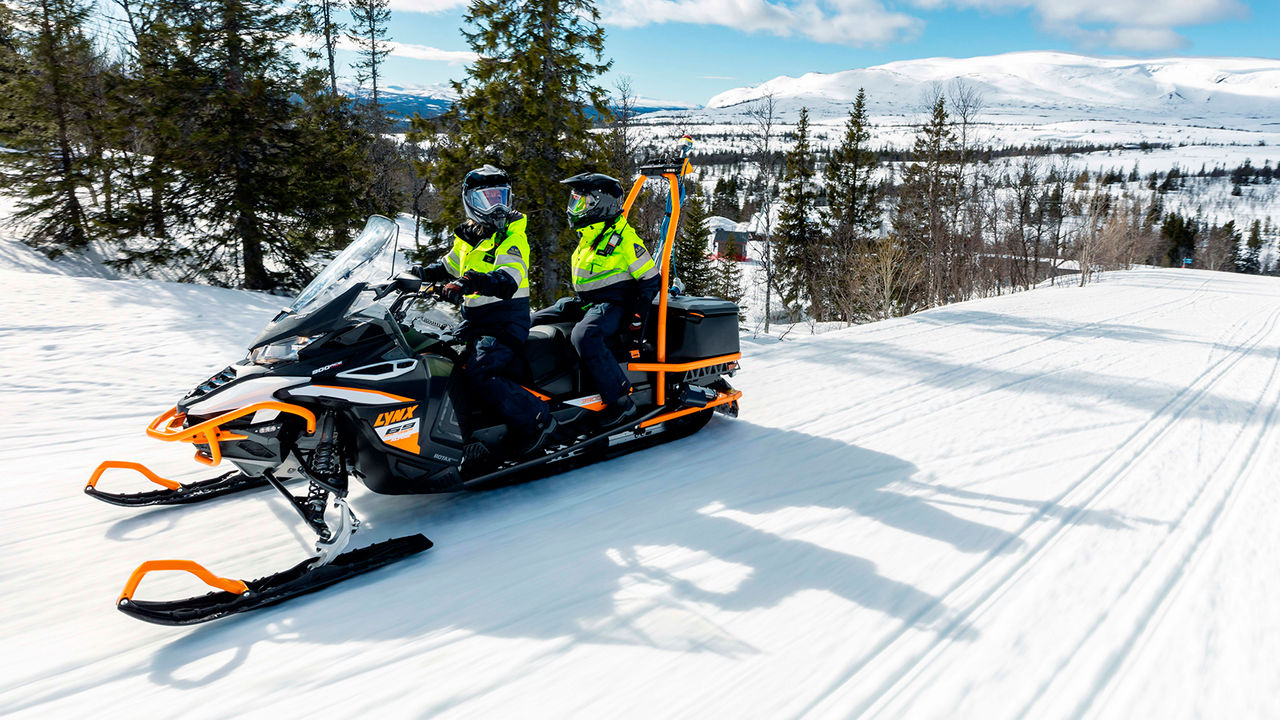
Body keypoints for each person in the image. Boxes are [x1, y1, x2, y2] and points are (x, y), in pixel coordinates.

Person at [414, 165, 555, 455]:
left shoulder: (512, 237)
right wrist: (419, 273)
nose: (497, 206)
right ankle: (467, 433)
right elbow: (449, 266)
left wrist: (467, 283)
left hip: (505, 322)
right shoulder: (470, 236)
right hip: (477, 321)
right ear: (471, 201)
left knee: (481, 372)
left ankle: (536, 421)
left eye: (501, 197)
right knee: (441, 360)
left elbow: (508, 279)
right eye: (488, 198)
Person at [532, 172, 662, 427]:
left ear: (600, 204)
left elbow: (650, 280)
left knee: (584, 334)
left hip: (615, 305)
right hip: (587, 302)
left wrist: (636, 318)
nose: (575, 207)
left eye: (582, 201)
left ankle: (621, 401)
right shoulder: (591, 234)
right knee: (533, 320)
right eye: (575, 201)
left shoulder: (625, 240)